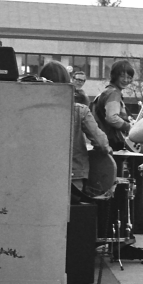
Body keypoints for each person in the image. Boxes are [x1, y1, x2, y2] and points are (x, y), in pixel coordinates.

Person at [38, 61, 111, 192]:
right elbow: (101, 143)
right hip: (73, 180)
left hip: (39, 177)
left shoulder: (31, 112)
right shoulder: (80, 111)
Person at [92, 60, 136, 151]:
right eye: (122, 76)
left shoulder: (107, 92)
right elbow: (112, 118)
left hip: (104, 142)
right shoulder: (114, 93)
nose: (126, 80)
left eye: (129, 77)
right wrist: (130, 127)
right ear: (114, 75)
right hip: (113, 143)